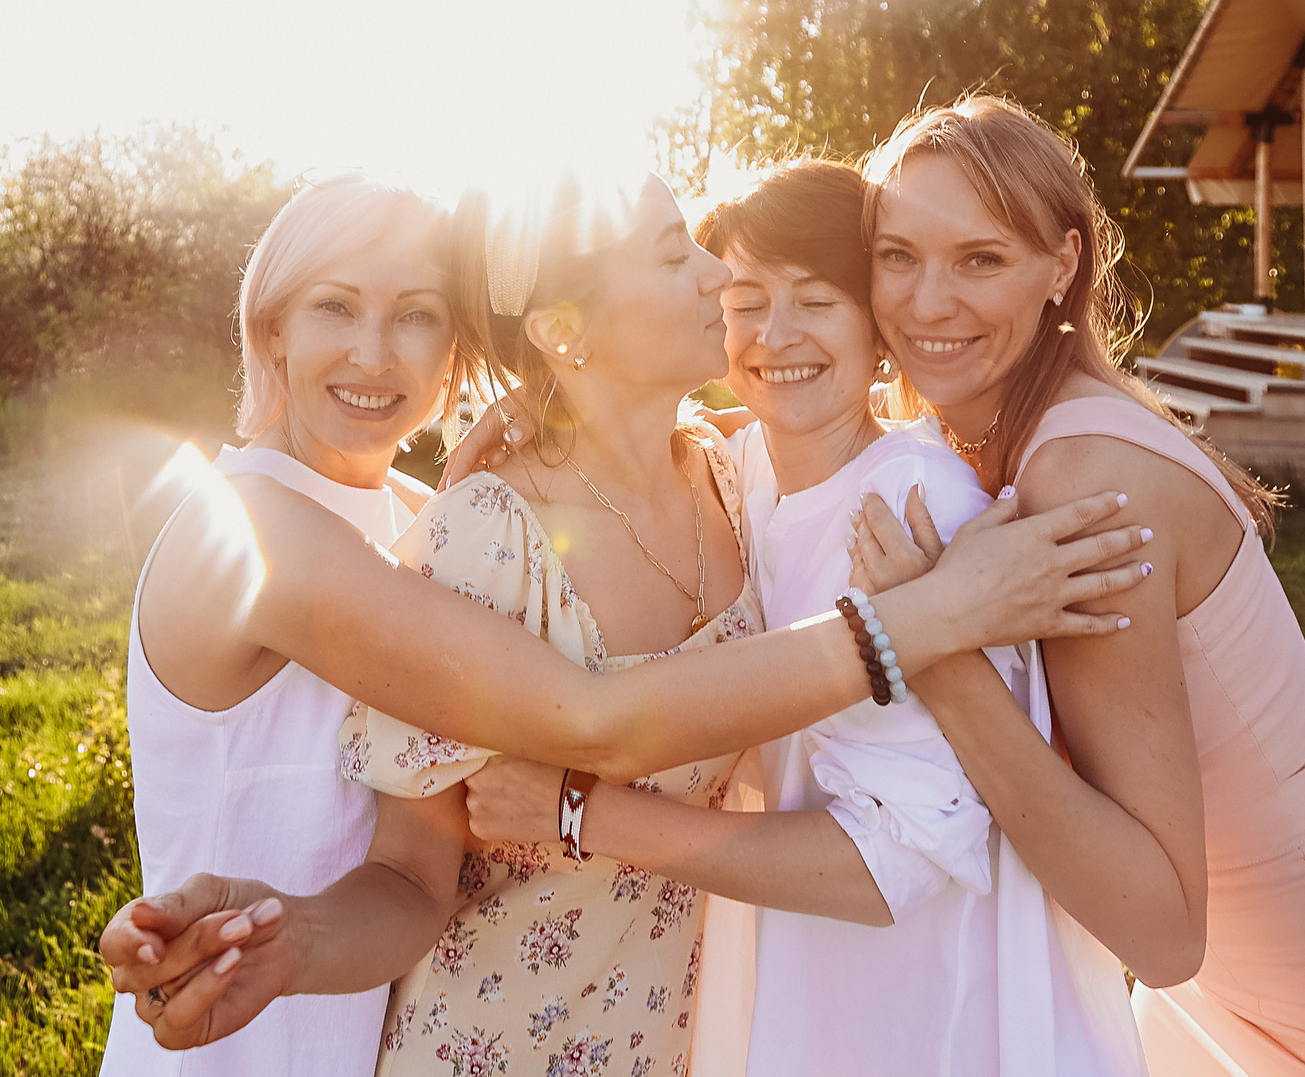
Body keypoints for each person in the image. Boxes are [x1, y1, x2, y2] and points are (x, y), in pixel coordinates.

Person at [97, 170, 1153, 1072]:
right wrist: (924, 617)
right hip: (435, 1034)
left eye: (420, 314)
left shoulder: (730, 489)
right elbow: (566, 744)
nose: (717, 275)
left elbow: (802, 433)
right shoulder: (408, 536)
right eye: (670, 256)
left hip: (661, 1030)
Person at [848, 98, 1305, 1076]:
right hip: (1222, 1009)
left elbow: (1162, 930)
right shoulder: (997, 432)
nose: (927, 302)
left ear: (1061, 266)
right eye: (898, 256)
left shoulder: (1084, 476)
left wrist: (931, 650)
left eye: (980, 258)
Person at [454, 160, 1145, 1077]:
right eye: (747, 296)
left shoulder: (912, 503)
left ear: (878, 330)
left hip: (922, 1007)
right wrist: (524, 416)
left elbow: (890, 863)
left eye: (816, 300)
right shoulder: (738, 474)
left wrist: (585, 813)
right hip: (796, 981)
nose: (776, 334)